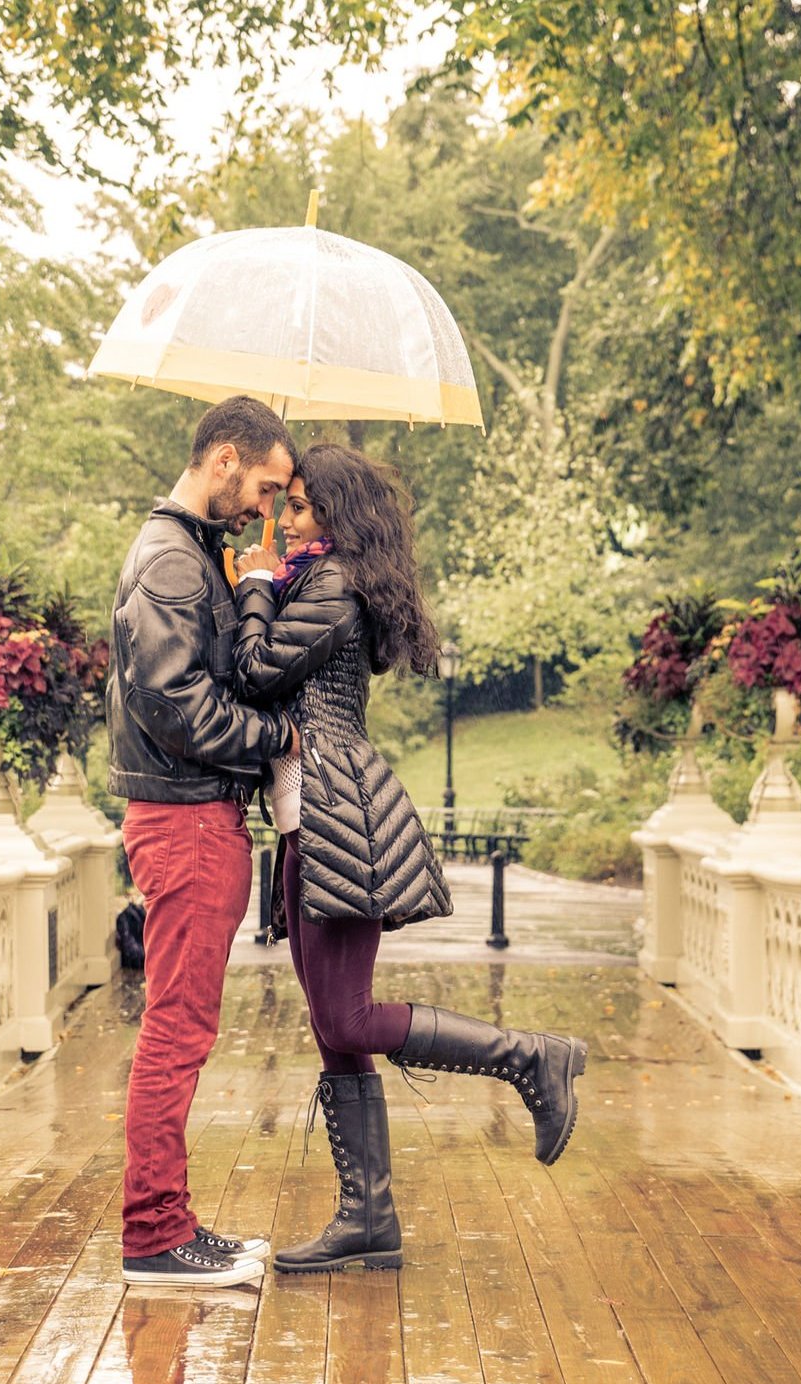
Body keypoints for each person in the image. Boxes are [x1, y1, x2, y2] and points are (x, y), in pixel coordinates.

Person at [232, 442, 587, 1274]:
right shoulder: (311, 581)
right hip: (304, 820)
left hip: (338, 815)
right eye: (287, 502)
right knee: (333, 1032)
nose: (287, 518)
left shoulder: (334, 588)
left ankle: (530, 1056)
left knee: (348, 1017)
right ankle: (369, 1219)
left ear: (341, 515)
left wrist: (251, 587)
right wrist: (254, 587)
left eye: (304, 505)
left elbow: (255, 671)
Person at [105, 395, 299, 1288]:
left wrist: (254, 584)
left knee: (183, 1025)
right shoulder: (171, 561)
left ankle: (170, 1222)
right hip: (184, 819)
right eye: (263, 486)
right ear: (224, 459)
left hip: (193, 815)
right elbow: (175, 703)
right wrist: (276, 743)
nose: (266, 507)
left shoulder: (194, 556)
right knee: (177, 1029)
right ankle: (153, 1236)